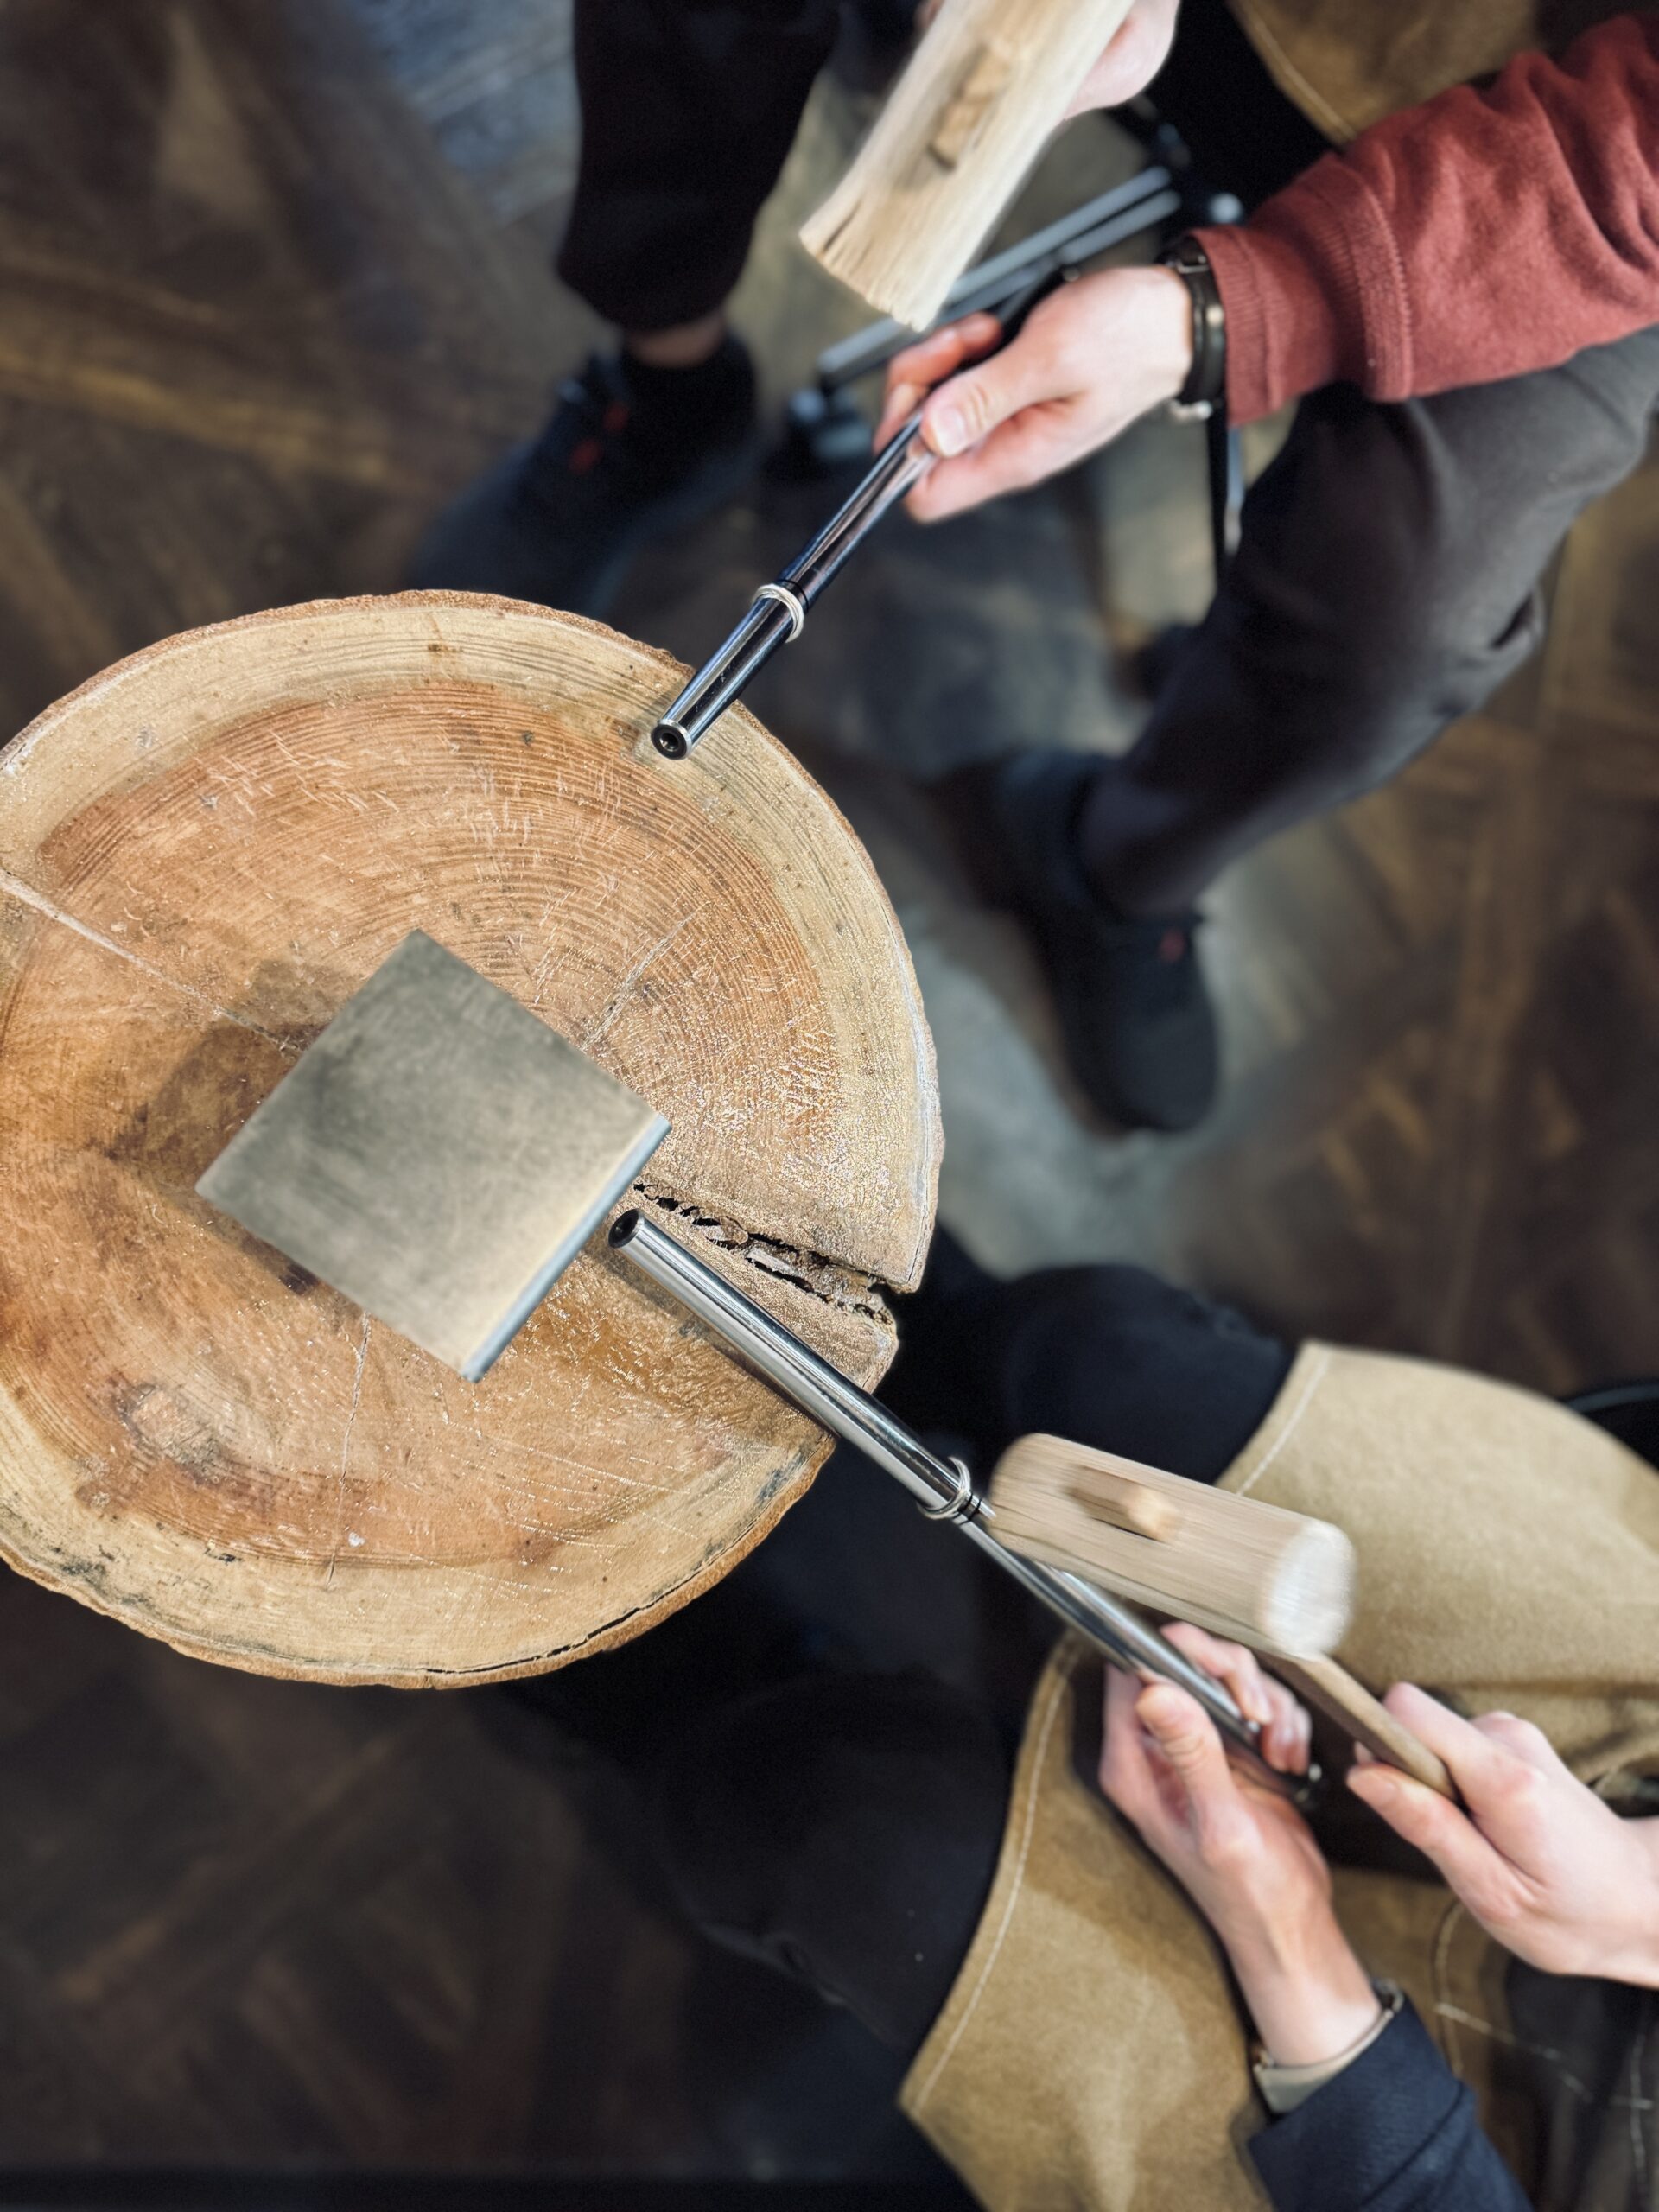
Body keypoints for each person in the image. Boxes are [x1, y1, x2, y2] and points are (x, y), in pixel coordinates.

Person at [604, 1235, 1659, 2211]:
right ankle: (813, 1263)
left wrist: (1298, 1964)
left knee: (825, 1818)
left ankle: (634, 1628)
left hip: (1448, 2164)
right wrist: (1633, 1900)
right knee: (1100, 1365)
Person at [875, 9, 1659, 1136]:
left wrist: (1231, 310)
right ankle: (668, 385)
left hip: (1586, 168)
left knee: (1400, 624)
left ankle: (1115, 867)